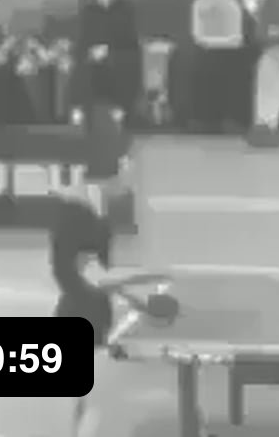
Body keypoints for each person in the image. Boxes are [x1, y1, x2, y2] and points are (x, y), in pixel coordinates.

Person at [50, 185, 164, 437]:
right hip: (79, 316)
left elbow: (100, 276)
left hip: (95, 314)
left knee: (93, 399)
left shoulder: (98, 225)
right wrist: (140, 289)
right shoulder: (75, 229)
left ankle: (82, 423)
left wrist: (134, 296)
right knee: (91, 399)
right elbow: (95, 277)